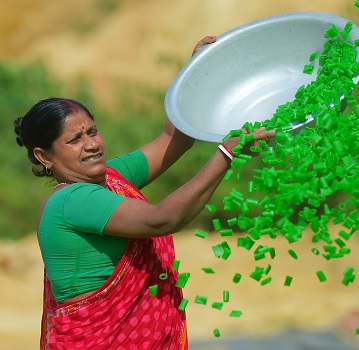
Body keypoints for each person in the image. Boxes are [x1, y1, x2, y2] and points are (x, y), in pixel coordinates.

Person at [13, 36, 276, 350]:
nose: (92, 144)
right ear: (44, 156)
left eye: (92, 132)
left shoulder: (110, 177)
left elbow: (174, 138)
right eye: (75, 140)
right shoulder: (71, 201)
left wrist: (196, 72)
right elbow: (160, 220)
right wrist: (227, 155)